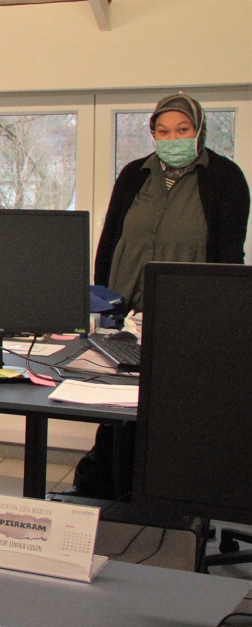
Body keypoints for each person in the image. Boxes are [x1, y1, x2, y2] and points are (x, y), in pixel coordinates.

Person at [71, 92, 250, 500]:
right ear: (153, 133)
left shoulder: (225, 177)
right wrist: (101, 299)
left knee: (173, 411)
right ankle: (110, 488)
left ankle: (170, 493)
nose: (174, 138)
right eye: (164, 131)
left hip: (188, 316)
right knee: (116, 409)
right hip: (124, 311)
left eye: (183, 130)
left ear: (199, 130)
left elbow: (230, 254)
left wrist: (222, 315)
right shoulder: (135, 174)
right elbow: (111, 238)